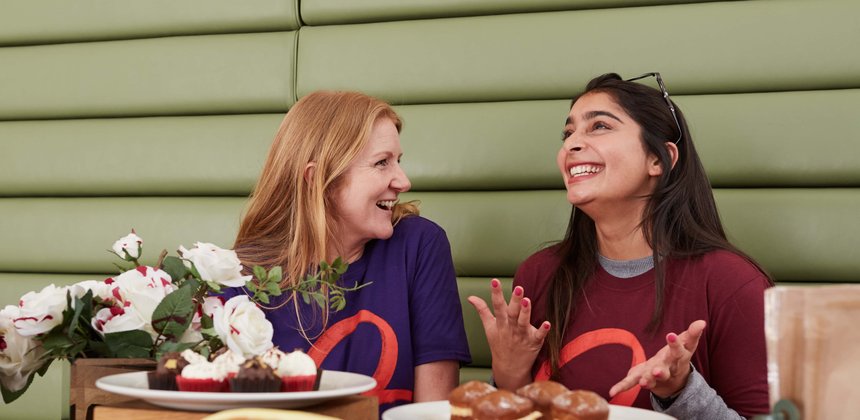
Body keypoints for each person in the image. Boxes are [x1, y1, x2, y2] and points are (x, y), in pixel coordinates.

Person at [468, 73, 772, 419]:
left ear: (659, 159)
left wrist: (680, 391)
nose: (571, 144)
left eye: (599, 126)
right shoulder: (539, 273)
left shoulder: (732, 283)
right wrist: (508, 373)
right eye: (568, 134)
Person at [220, 91, 471, 413]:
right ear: (318, 179)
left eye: (398, 160)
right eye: (382, 162)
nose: (403, 181)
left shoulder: (419, 245)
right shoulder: (237, 277)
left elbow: (433, 412)